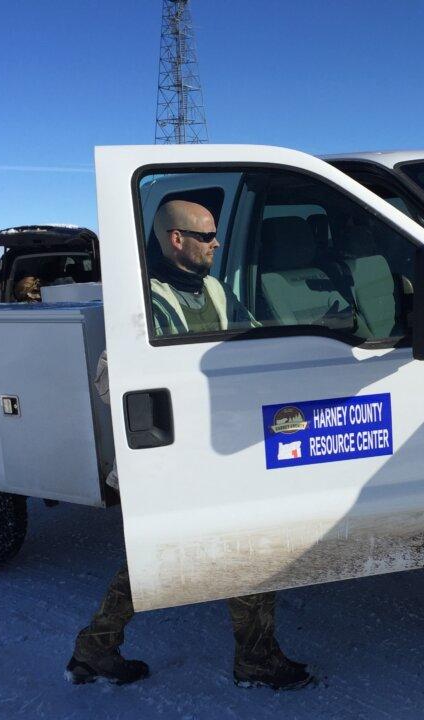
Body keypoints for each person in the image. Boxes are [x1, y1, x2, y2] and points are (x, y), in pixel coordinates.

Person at [66, 200, 312, 690]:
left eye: (215, 234)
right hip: (176, 454)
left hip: (218, 446)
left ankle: (95, 649)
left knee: (165, 556)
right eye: (206, 236)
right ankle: (254, 659)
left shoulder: (216, 291)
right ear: (175, 239)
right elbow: (113, 380)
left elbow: (255, 345)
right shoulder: (146, 303)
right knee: (244, 551)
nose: (217, 243)